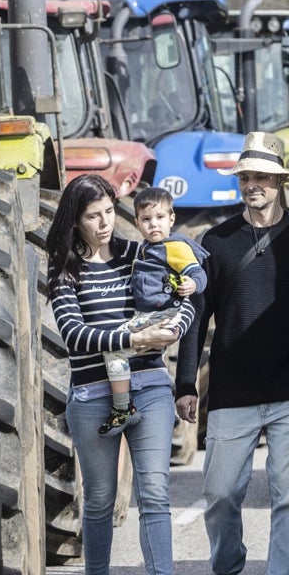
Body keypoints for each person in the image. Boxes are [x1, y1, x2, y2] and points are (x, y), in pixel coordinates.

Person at [174, 132, 289, 575]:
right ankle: (226, 565)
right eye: (247, 177)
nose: (254, 186)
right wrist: (186, 384)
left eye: (263, 178)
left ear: (279, 183)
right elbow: (195, 317)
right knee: (222, 493)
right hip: (232, 391)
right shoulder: (215, 243)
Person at [45, 174, 199, 575]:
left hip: (151, 385)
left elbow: (186, 297)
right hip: (92, 393)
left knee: (155, 492)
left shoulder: (140, 254)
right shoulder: (65, 272)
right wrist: (135, 337)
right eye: (94, 216)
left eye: (110, 211)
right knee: (98, 499)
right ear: (76, 221)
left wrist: (174, 326)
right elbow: (75, 334)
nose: (106, 222)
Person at [99, 186, 208, 437]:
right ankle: (123, 406)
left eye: (159, 218)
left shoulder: (174, 247)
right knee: (113, 350)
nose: (153, 225)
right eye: (146, 220)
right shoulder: (145, 250)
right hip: (147, 316)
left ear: (172, 219)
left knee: (121, 348)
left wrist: (192, 284)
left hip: (169, 313)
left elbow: (197, 273)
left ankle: (129, 407)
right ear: (136, 223)